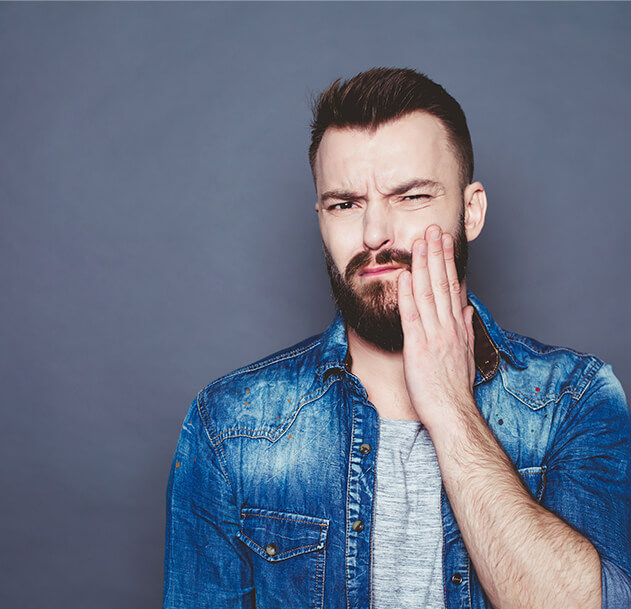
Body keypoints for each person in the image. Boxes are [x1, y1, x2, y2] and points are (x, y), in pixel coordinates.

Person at [163, 68, 631, 609]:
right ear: (320, 218)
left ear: (470, 210)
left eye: (409, 197)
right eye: (345, 204)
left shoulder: (576, 401)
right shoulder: (227, 427)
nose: (373, 234)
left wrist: (450, 406)